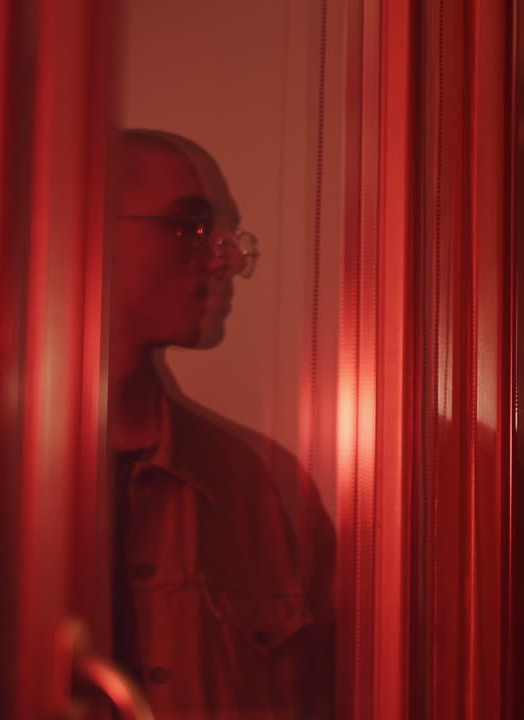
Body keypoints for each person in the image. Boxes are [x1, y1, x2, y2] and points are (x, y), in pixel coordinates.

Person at [107, 129, 334, 719]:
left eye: (224, 234)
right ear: (86, 231)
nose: (227, 258)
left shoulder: (262, 488)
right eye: (191, 228)